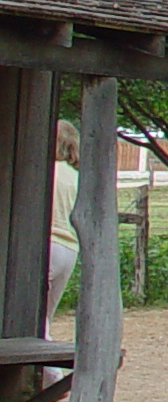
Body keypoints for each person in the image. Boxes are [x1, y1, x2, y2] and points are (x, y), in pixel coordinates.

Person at [45, 117, 78, 337]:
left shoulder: (43, 173)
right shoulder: (76, 177)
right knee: (45, 317)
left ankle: (53, 372)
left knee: (31, 318)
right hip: (69, 248)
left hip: (47, 245)